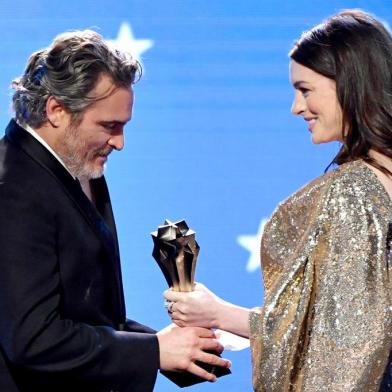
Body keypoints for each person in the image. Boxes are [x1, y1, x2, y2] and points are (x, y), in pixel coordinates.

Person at [164, 9, 392, 391]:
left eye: (305, 89)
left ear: (349, 82)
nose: (296, 107)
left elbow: (343, 347)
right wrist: (221, 314)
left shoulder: (353, 192)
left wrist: (218, 313)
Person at [0, 30, 231, 392]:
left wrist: (176, 349)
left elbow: (88, 314)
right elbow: (35, 339)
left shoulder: (77, 163)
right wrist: (153, 350)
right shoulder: (12, 189)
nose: (120, 143)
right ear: (57, 110)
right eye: (110, 126)